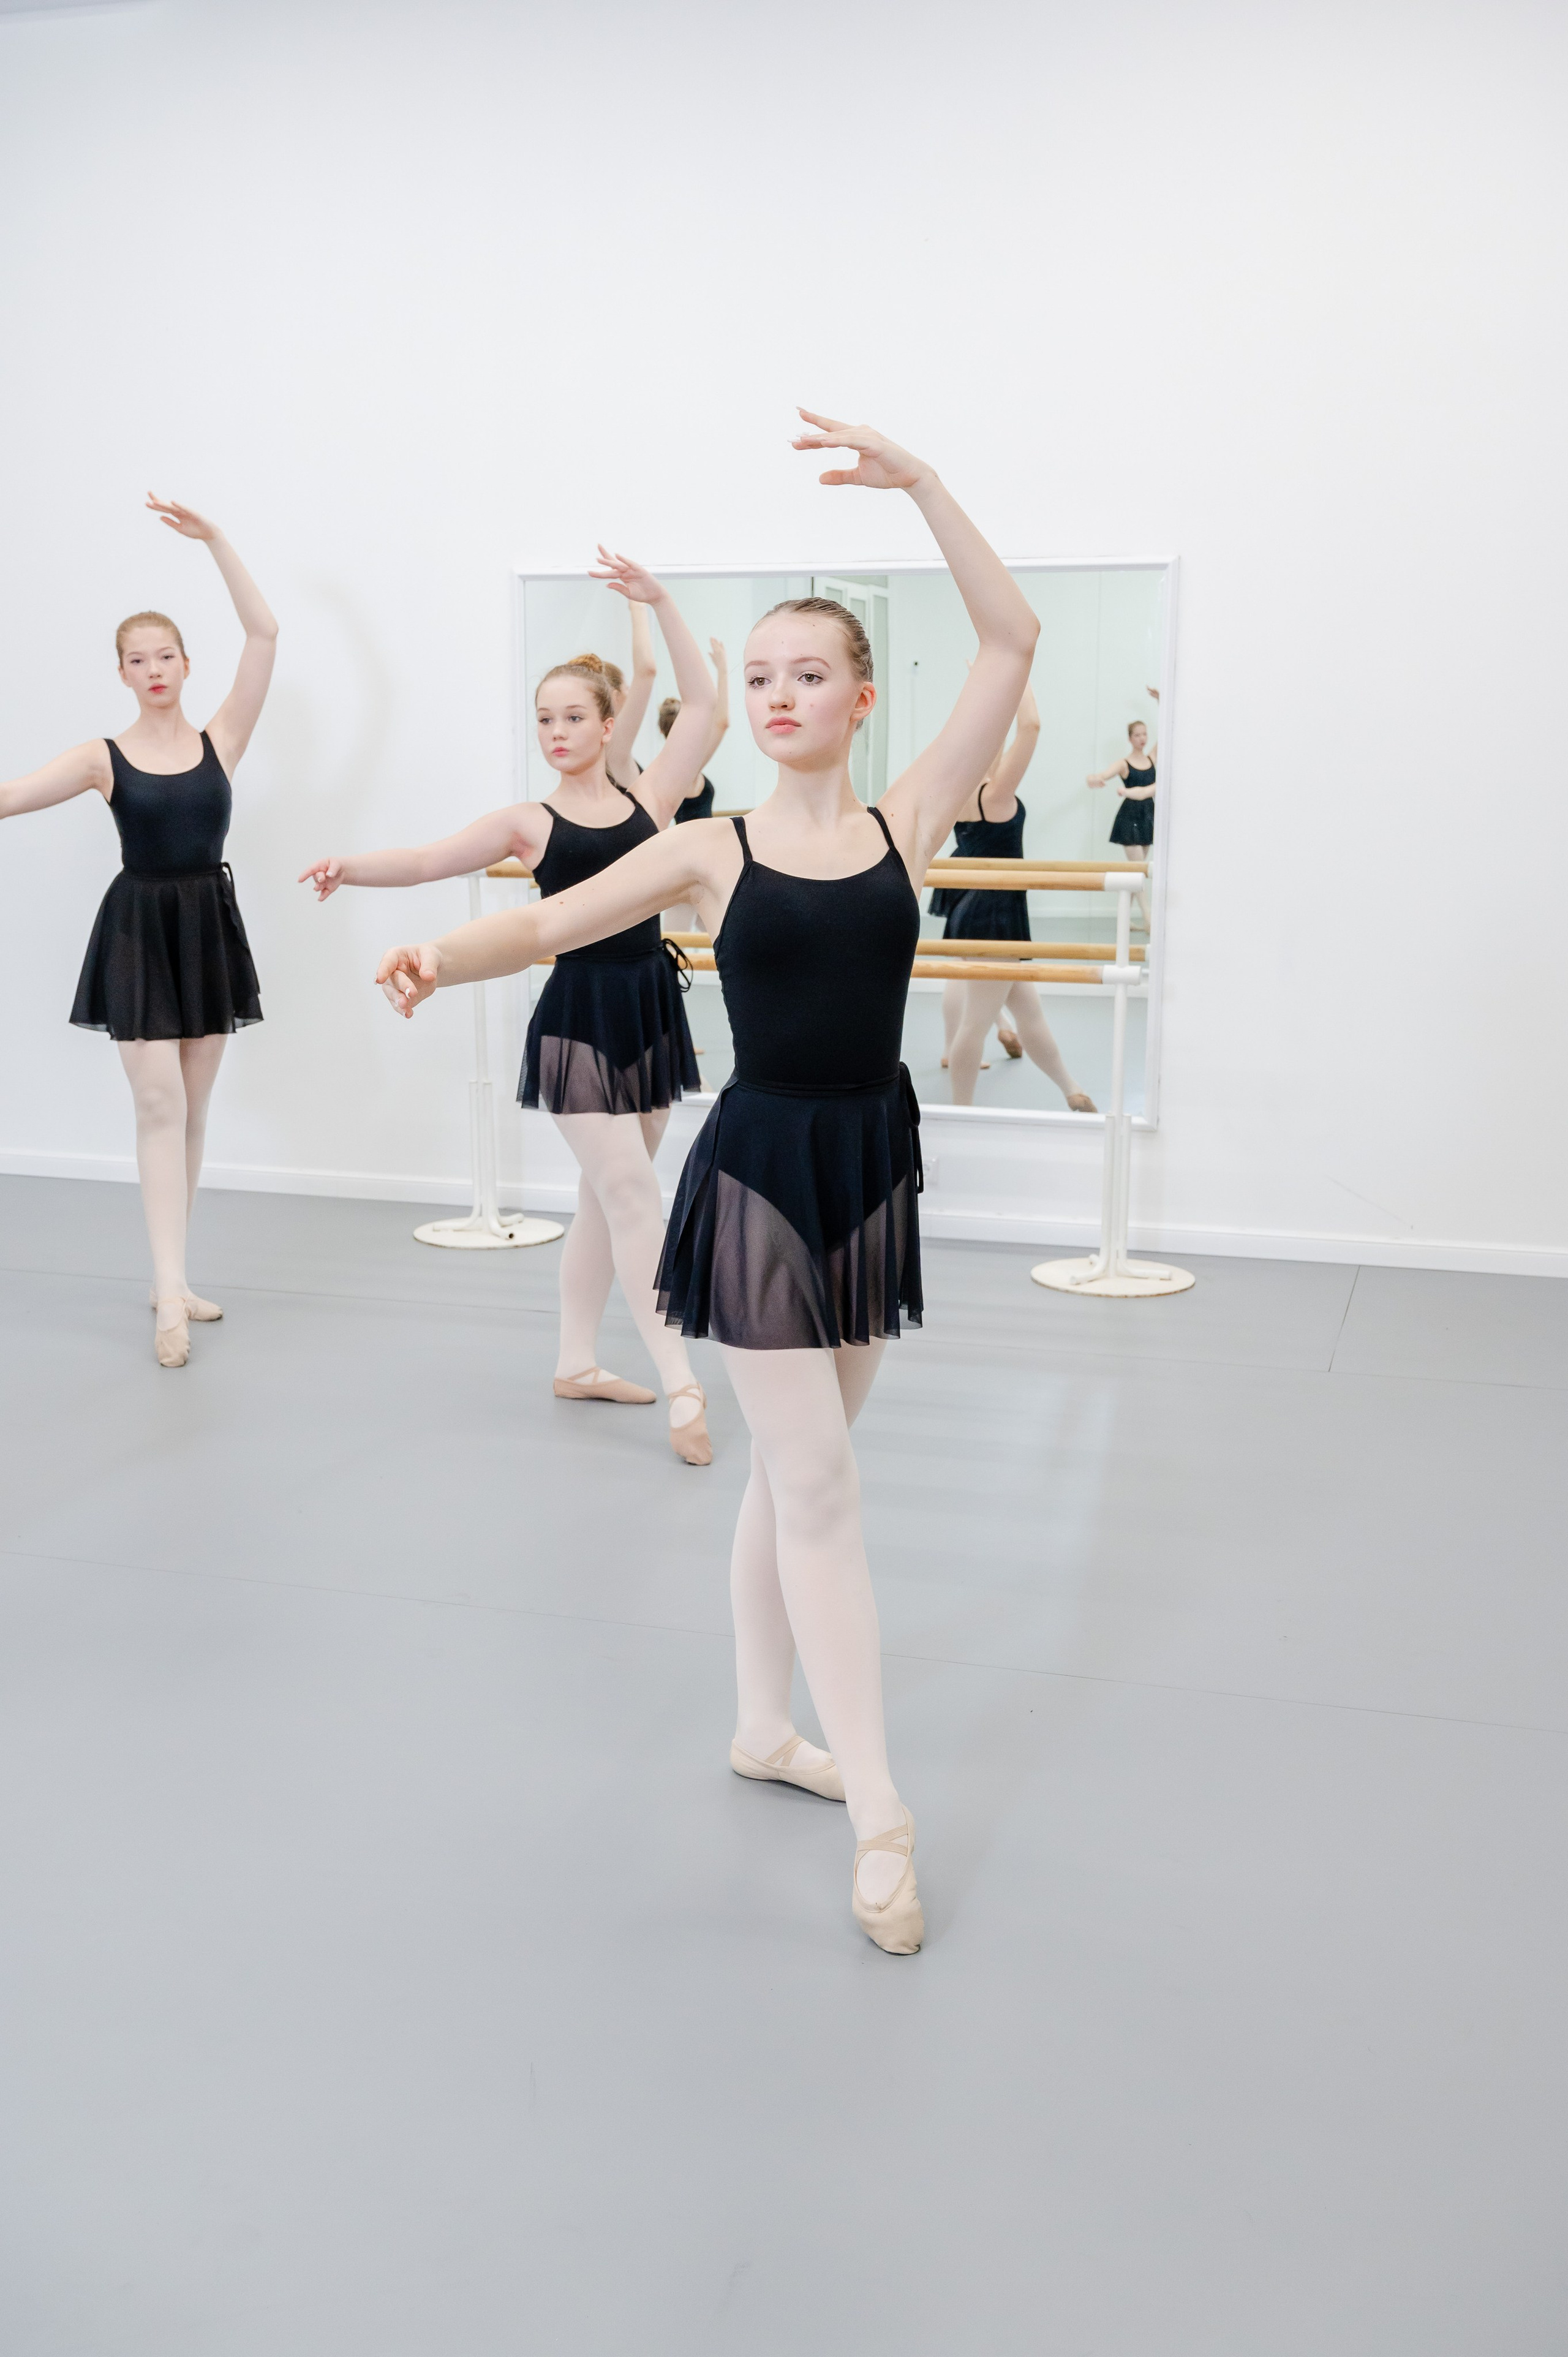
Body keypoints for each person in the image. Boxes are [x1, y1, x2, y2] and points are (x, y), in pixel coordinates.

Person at [372, 412, 1040, 1955]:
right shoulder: (711, 847)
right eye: (757, 678)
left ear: (861, 698)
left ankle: (760, 1721)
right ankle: (879, 1805)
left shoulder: (907, 818)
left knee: (797, 1469)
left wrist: (927, 486)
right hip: (756, 1170)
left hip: (869, 1161)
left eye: (808, 673)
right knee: (814, 1479)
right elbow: (546, 923)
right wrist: (434, 951)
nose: (779, 695)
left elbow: (1006, 638)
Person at [300, 562, 717, 1465]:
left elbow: (709, 710)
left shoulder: (652, 804)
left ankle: (576, 1363)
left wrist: (663, 604)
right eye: (545, 720)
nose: (558, 733)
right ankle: (683, 1381)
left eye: (574, 717)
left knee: (607, 1202)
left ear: (612, 725)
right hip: (577, 1016)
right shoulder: (529, 821)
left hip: (648, 1005)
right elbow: (425, 860)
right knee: (635, 1194)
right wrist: (351, 865)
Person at [0, 496, 277, 1368]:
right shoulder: (101, 757)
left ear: (186, 665)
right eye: (136, 660)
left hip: (208, 926)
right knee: (156, 1104)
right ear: (121, 673)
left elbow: (265, 636)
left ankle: (176, 1278)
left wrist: (217, 542)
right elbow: (9, 797)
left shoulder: (221, 737)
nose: (153, 669)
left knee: (192, 1113)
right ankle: (165, 1297)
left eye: (165, 656)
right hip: (138, 928)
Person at [934, 684, 1095, 1112]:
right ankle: (962, 1112)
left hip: (979, 911)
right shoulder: (996, 795)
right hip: (995, 917)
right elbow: (1032, 725)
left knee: (1030, 1016)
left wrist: (987, 689)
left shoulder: (966, 793)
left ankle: (1072, 1091)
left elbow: (1004, 733)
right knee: (976, 1024)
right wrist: (1017, 681)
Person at [660, 637, 729, 938]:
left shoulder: (678, 766)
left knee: (718, 930)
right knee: (674, 941)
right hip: (689, 864)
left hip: (701, 861)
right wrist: (723, 670)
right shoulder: (682, 768)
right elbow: (723, 721)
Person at [1087, 689, 1158, 927]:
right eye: (1137, 735)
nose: (1142, 738)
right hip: (1130, 817)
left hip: (1148, 815)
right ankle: (1148, 918)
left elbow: (1169, 732)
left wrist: (1161, 702)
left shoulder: (1152, 759)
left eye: (1145, 734)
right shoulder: (1124, 763)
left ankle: (1124, 920)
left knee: (1135, 873)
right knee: (1138, 871)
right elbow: (1103, 774)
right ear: (1130, 738)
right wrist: (1094, 778)